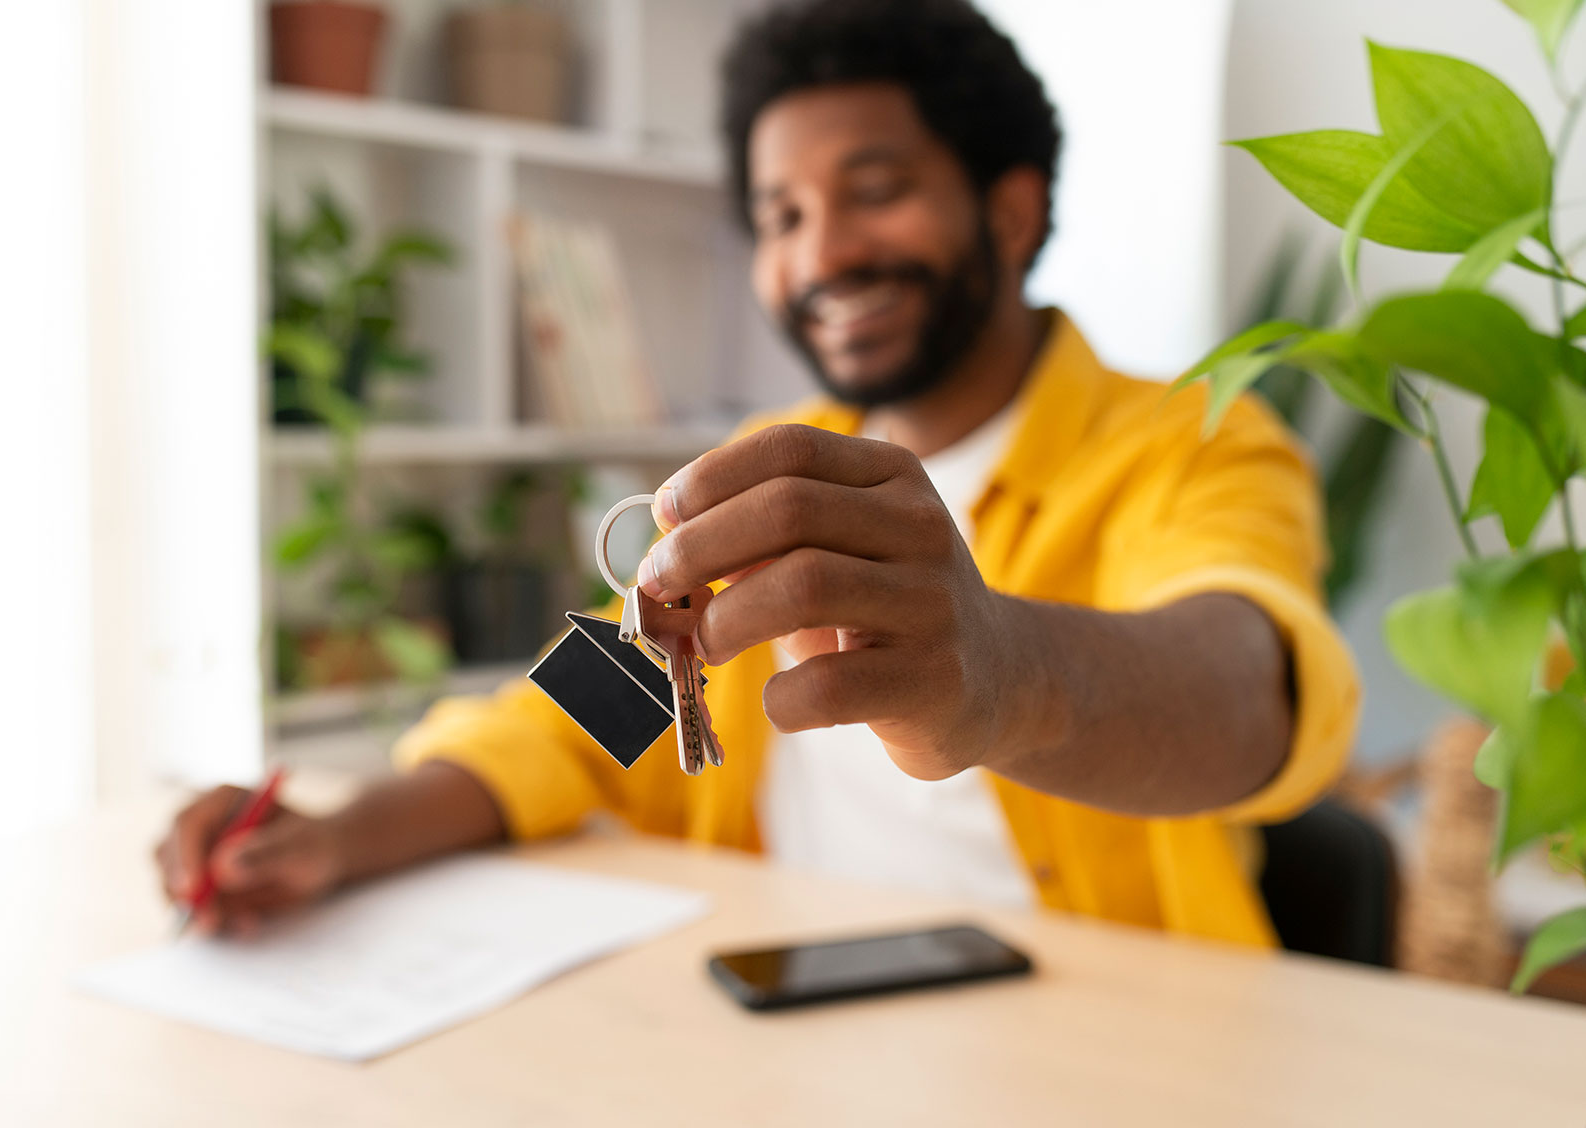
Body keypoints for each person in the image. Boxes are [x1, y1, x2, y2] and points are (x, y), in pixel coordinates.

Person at [158, 0, 1359, 946]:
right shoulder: (765, 473)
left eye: (874, 192)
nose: (822, 252)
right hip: (769, 1018)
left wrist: (1002, 672)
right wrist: (335, 837)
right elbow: (579, 715)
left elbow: (1251, 688)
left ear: (1009, 207)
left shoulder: (1194, 442)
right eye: (780, 215)